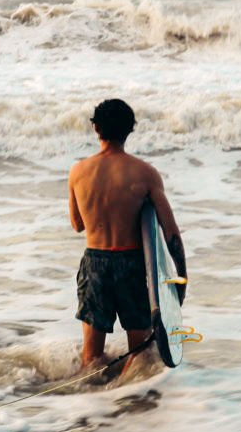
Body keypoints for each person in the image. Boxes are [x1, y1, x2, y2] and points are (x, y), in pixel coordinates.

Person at [68, 99, 185, 378]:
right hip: (132, 266)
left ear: (96, 128)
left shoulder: (78, 172)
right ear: (130, 130)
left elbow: (77, 225)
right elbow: (170, 232)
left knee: (92, 358)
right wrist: (180, 277)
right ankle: (131, 401)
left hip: (94, 264)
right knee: (141, 353)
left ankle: (91, 406)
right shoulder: (145, 174)